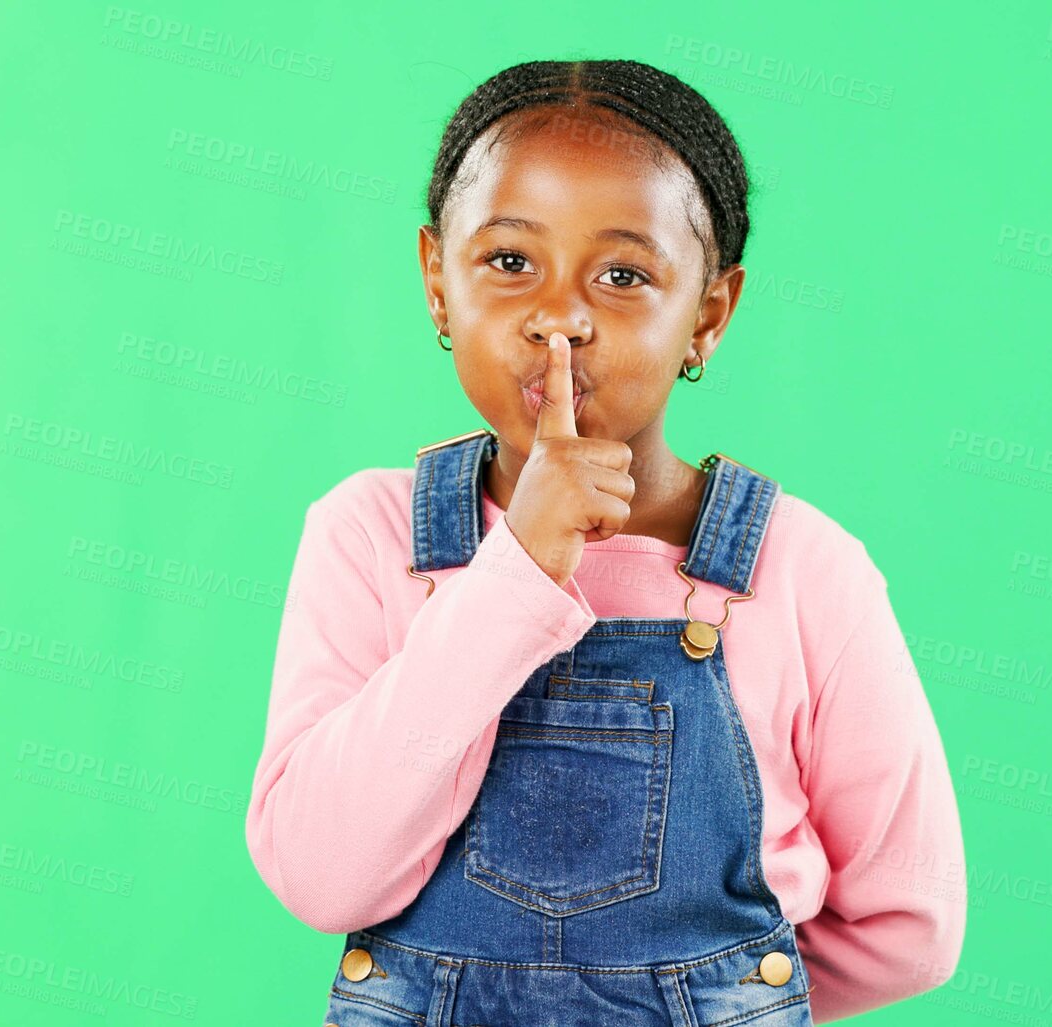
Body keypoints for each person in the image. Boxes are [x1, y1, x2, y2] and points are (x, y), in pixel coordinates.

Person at [246, 58, 966, 1025]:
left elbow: (909, 922)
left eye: (624, 275)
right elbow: (320, 873)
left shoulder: (803, 570)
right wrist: (519, 567)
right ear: (436, 283)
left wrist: (711, 1000)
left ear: (707, 314)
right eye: (509, 262)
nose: (560, 317)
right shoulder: (369, 536)